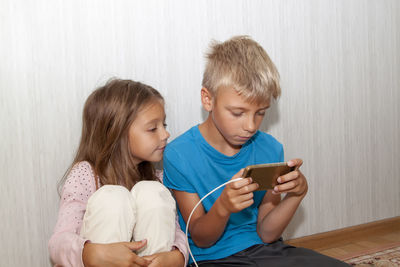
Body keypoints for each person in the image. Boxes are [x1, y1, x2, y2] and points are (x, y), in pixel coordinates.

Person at [163, 36, 349, 266]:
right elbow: (201, 239)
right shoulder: (179, 154)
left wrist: (296, 195)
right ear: (208, 99)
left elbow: (267, 233)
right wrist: (223, 207)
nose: (251, 126)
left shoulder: (270, 149)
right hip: (212, 259)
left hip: (265, 251)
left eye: (260, 113)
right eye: (238, 113)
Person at [48, 79, 188, 267]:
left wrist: (177, 256)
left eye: (164, 125)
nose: (165, 135)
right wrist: (92, 254)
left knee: (152, 193)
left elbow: (175, 231)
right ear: (117, 133)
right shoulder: (86, 174)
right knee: (113, 198)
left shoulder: (157, 180)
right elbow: (59, 243)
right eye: (153, 128)